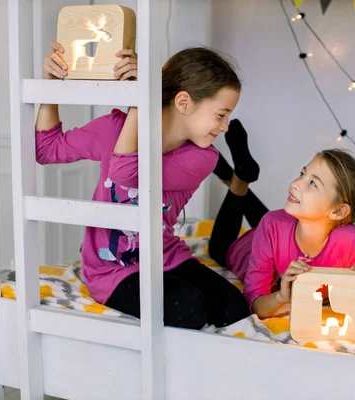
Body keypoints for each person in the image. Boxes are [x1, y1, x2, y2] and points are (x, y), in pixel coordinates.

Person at [36, 42, 249, 329]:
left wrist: (141, 99)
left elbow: (126, 172)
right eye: (221, 115)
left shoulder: (201, 158)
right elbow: (46, 150)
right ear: (184, 103)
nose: (224, 127)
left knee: (234, 308)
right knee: (188, 307)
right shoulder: (112, 129)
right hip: (112, 269)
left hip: (165, 255)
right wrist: (51, 88)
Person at [208, 122, 355, 320]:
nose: (296, 183)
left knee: (275, 220)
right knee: (219, 248)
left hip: (279, 231)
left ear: (338, 210)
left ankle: (237, 177)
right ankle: (238, 179)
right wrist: (281, 296)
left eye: (313, 183)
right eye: (302, 174)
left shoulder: (353, 244)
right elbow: (256, 304)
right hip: (246, 247)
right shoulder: (272, 225)